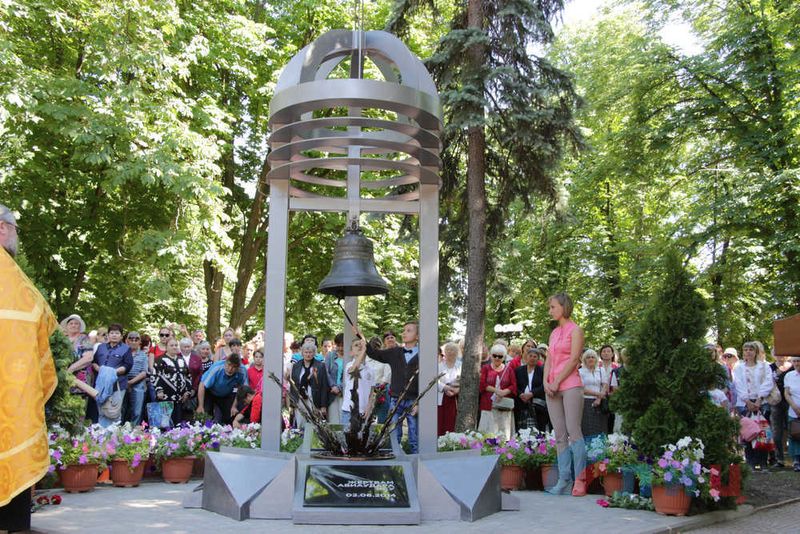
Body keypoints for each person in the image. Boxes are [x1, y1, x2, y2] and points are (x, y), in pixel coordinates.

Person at [0, 204, 58, 532]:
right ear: (2, 228)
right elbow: (43, 327)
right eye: (15, 230)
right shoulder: (13, 281)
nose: (16, 238)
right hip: (12, 402)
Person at [543, 292, 587, 496]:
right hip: (552, 388)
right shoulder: (553, 333)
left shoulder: (576, 330)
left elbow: (574, 359)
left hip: (570, 386)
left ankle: (580, 480)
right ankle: (563, 480)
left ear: (564, 307)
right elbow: (549, 360)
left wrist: (557, 381)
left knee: (573, 431)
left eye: (553, 307)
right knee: (559, 435)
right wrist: (546, 382)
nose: (550, 311)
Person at [359, 321, 421, 454]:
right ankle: (396, 460)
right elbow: (375, 354)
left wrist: (419, 403)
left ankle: (416, 463)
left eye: (409, 331)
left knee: (414, 435)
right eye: (403, 330)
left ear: (418, 336)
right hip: (395, 400)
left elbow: (425, 379)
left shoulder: (423, 355)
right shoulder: (395, 352)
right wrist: (363, 339)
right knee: (393, 433)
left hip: (413, 401)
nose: (404, 333)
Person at [733, 341, 775, 470]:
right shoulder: (739, 368)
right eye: (746, 350)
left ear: (756, 351)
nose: (748, 352)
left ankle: (762, 462)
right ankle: (750, 463)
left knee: (762, 433)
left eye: (751, 349)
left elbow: (768, 382)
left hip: (761, 402)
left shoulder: (764, 366)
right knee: (747, 433)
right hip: (744, 403)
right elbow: (738, 384)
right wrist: (747, 401)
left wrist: (759, 399)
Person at [92, 323, 133, 427]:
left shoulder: (126, 348)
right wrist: (100, 370)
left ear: (121, 336)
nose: (114, 335)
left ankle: (114, 434)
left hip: (118, 385)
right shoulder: (101, 347)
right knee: (101, 410)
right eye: (112, 333)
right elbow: (94, 362)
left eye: (117, 333)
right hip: (100, 385)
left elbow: (128, 365)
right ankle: (101, 433)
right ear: (108, 335)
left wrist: (112, 372)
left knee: (113, 412)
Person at [478, 344, 517, 440]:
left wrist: (504, 392)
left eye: (500, 356)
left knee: (503, 436)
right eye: (494, 355)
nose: (497, 358)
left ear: (504, 357)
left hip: (504, 406)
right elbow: (482, 385)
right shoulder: (485, 368)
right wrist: (496, 391)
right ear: (491, 355)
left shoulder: (509, 369)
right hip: (488, 405)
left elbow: (514, 385)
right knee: (487, 435)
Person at [151, 338, 193, 426]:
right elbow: (155, 375)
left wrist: (187, 391)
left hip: (180, 398)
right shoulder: (160, 360)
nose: (174, 347)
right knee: (163, 424)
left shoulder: (181, 359)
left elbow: (188, 376)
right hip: (165, 397)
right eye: (171, 345)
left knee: (178, 424)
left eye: (176, 345)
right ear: (166, 347)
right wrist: (159, 390)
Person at [197, 353, 248, 424]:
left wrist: (234, 406)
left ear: (238, 367)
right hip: (210, 392)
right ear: (225, 362)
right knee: (205, 415)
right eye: (229, 365)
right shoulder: (217, 367)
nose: (230, 369)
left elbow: (242, 389)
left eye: (234, 367)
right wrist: (200, 406)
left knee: (230, 416)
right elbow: (202, 385)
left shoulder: (242, 370)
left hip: (227, 394)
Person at [290, 341, 329, 428]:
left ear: (314, 353)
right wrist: (292, 404)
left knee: (314, 425)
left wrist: (323, 406)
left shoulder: (320, 366)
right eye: (306, 352)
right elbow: (293, 386)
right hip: (300, 398)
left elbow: (324, 386)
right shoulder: (296, 366)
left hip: (314, 398)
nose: (308, 354)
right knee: (300, 423)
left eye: (310, 352)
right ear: (302, 353)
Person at [341, 338, 374, 427]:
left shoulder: (370, 369)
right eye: (356, 345)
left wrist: (369, 408)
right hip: (349, 411)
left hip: (364, 412)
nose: (359, 346)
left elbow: (371, 392)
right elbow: (354, 369)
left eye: (361, 344)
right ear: (351, 352)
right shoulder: (349, 365)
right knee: (347, 435)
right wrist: (363, 350)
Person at [515, 346, 548, 432]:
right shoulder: (518, 370)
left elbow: (544, 385)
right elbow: (515, 385)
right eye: (530, 356)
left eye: (535, 356)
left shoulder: (542, 371)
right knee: (521, 430)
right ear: (526, 357)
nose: (532, 358)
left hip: (538, 404)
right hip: (521, 403)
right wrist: (520, 394)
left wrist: (532, 393)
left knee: (539, 430)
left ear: (538, 359)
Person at [578, 349, 609, 438]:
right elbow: (581, 388)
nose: (591, 359)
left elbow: (605, 385)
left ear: (596, 359)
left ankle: (601, 445)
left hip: (600, 402)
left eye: (593, 357)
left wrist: (599, 398)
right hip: (586, 401)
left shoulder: (601, 370)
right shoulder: (580, 371)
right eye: (588, 357)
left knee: (601, 427)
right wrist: (598, 394)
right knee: (588, 426)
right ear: (584, 359)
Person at [770, 352, 793, 467]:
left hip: (791, 402)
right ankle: (779, 459)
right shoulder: (770, 368)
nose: (780, 355)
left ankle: (794, 458)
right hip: (775, 402)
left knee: (792, 429)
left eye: (782, 353)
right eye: (777, 353)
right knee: (776, 431)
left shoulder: (793, 366)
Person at [437, 342, 462, 436]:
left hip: (456, 398)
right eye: (448, 350)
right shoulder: (439, 366)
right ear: (445, 352)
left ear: (457, 352)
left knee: (453, 421)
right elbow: (435, 381)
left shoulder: (461, 365)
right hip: (442, 397)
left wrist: (457, 390)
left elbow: (465, 381)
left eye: (453, 350)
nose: (450, 352)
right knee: (441, 422)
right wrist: (446, 387)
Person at [125, 331, 149, 425]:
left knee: (137, 411)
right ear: (127, 341)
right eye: (131, 339)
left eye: (136, 339)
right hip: (123, 383)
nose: (133, 341)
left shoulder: (143, 355)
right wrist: (126, 383)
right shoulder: (123, 353)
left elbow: (144, 372)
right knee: (121, 409)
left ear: (140, 342)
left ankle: (134, 429)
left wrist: (131, 382)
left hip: (138, 383)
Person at [782, 357, 800, 471]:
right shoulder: (789, 375)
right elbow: (787, 393)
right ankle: (796, 461)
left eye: (799, 361)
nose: (797, 363)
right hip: (793, 411)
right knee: (795, 435)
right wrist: (794, 406)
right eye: (795, 361)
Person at [324, 333, 345, 424]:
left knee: (344, 421)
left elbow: (349, 376)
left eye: (342, 345)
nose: (340, 348)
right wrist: (333, 386)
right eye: (338, 345)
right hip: (332, 393)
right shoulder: (330, 355)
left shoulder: (351, 356)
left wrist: (339, 387)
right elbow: (326, 372)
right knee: (333, 421)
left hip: (345, 393)